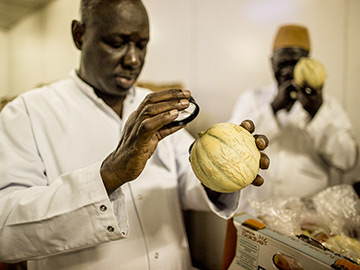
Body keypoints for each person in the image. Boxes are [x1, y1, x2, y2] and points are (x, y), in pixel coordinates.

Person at [0, 0, 270, 269]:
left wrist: (222, 171)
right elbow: (6, 230)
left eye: (142, 45)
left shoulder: (158, 107)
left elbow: (189, 182)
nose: (133, 59)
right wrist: (109, 175)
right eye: (117, 43)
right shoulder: (26, 113)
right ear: (79, 35)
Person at [229, 24, 358, 215]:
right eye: (282, 64)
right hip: (252, 214)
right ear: (271, 62)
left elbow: (347, 160)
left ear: (307, 63)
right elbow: (231, 147)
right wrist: (273, 108)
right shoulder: (252, 99)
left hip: (306, 221)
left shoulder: (328, 106)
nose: (288, 71)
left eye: (295, 64)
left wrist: (317, 113)